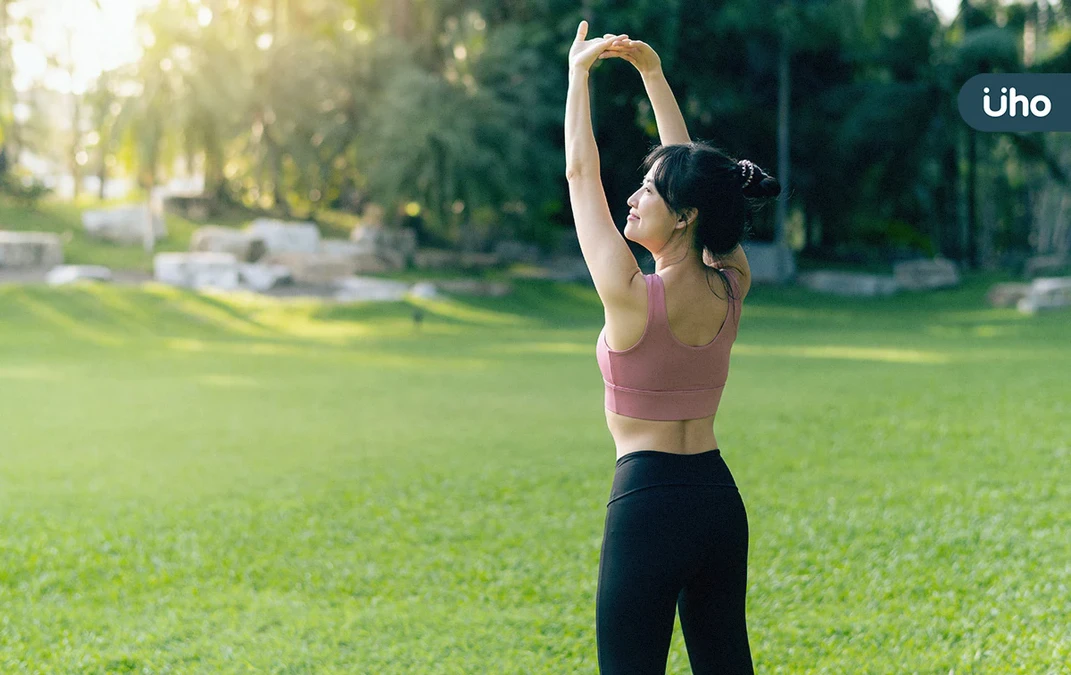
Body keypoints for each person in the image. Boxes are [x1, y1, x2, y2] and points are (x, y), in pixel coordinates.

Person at [565, 21, 782, 674]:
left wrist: (578, 77)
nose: (630, 200)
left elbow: (580, 173)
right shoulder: (733, 286)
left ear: (683, 215)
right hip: (717, 500)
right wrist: (653, 77)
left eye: (648, 194)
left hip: (647, 504)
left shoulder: (630, 296)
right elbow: (696, 178)